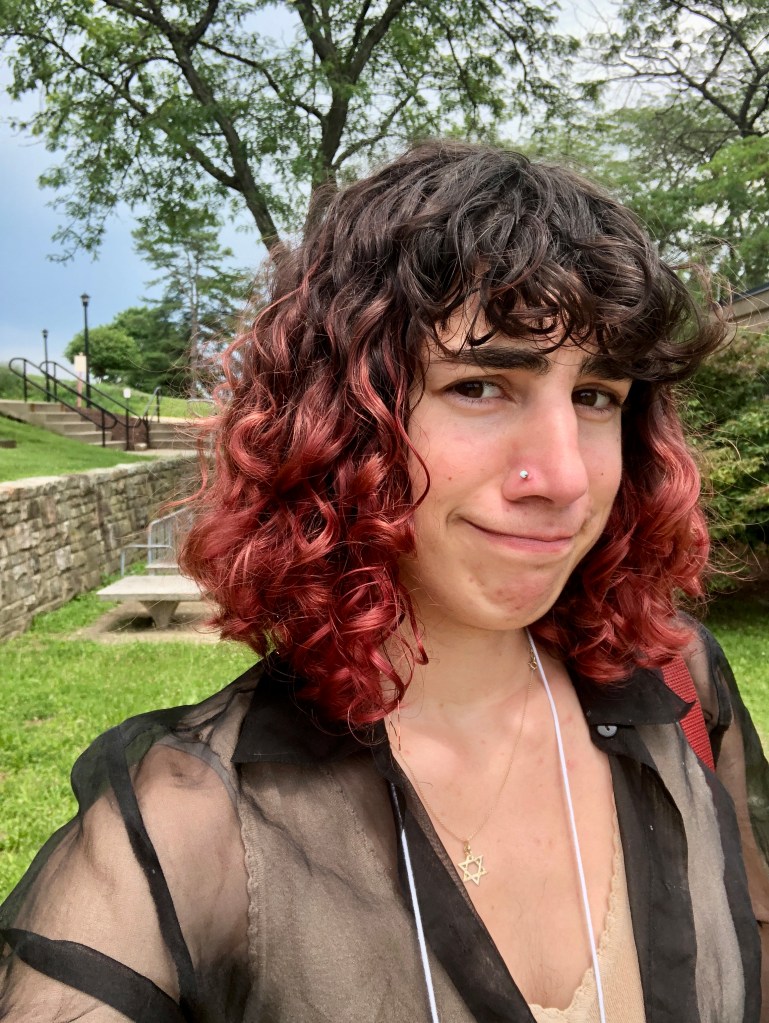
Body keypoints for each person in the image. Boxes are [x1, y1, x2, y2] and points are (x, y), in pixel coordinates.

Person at [1, 140, 768, 1023]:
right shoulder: (191, 837)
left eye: (596, 394)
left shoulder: (674, 685)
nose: (563, 475)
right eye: (481, 384)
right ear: (339, 428)